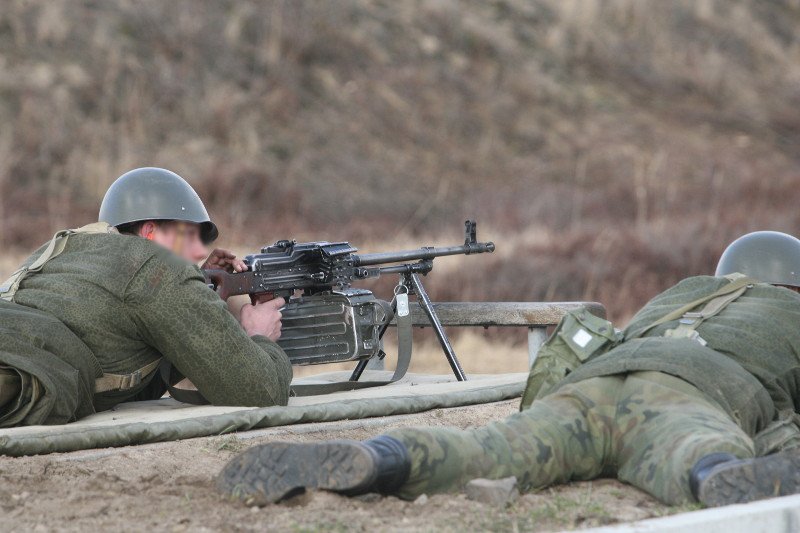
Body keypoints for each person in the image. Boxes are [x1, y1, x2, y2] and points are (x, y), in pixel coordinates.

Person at [217, 230, 800, 508]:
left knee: (486, 451)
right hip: (692, 397)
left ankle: (381, 458)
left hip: (592, 388)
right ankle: (717, 475)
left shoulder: (682, 295)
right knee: (696, 451)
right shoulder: (789, 313)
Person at [0, 167, 291, 427]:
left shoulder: (61, 249)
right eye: (188, 235)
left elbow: (127, 381)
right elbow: (260, 393)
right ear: (150, 231)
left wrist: (198, 298)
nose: (200, 251)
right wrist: (259, 334)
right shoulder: (157, 269)